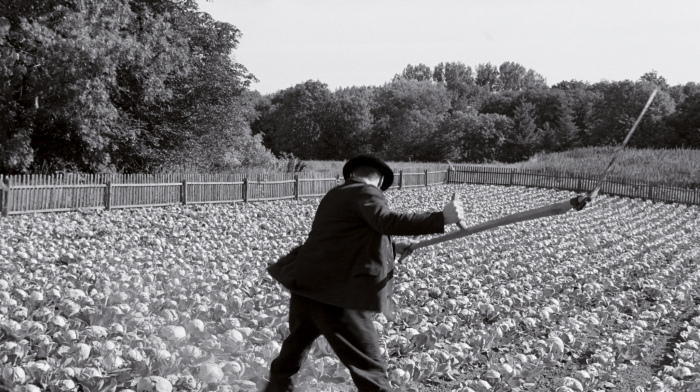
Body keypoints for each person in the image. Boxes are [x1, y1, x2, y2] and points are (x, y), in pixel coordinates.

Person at [264, 155, 465, 392]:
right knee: (369, 368)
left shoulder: (335, 195)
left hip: (307, 289)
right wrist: (443, 218)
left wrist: (392, 247)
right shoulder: (365, 192)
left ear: (350, 174)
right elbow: (386, 221)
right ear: (379, 179)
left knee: (291, 353)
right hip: (336, 296)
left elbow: (345, 238)